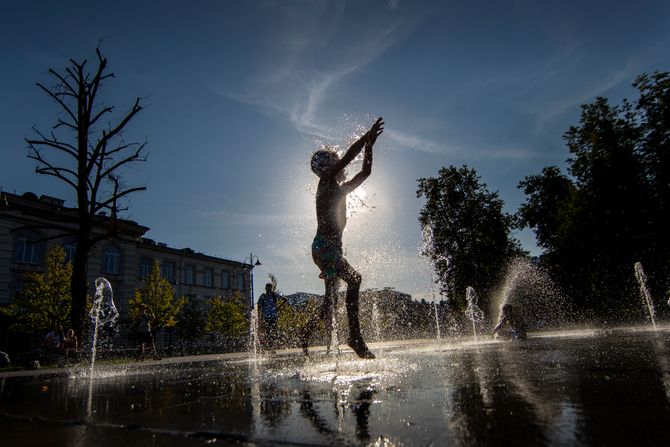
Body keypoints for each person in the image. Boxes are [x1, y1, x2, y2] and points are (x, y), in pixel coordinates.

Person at [301, 117, 384, 359]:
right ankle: (355, 338)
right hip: (324, 247)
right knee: (355, 279)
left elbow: (365, 172)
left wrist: (370, 148)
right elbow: (349, 156)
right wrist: (365, 138)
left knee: (331, 300)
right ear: (326, 167)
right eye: (335, 161)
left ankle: (305, 333)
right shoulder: (325, 181)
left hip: (327, 249)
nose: (340, 164)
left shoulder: (340, 189)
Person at [257, 283, 281, 352]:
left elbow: (285, 299)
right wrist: (259, 317)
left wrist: (279, 307)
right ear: (265, 288)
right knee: (266, 332)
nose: (269, 290)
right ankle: (265, 347)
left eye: (270, 288)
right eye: (268, 288)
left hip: (273, 317)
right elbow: (259, 307)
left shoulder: (274, 295)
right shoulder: (263, 296)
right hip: (266, 317)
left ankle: (271, 348)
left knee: (272, 332)